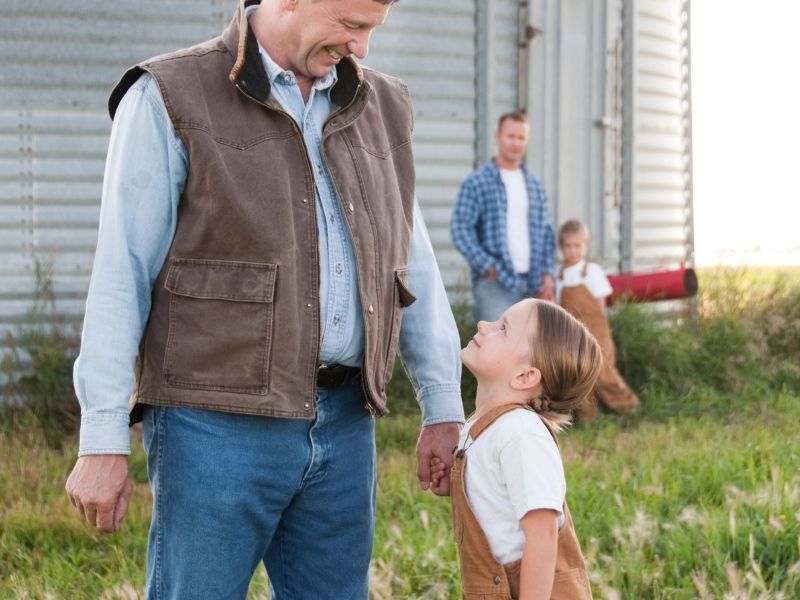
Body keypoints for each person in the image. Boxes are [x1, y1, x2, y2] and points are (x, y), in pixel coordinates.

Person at [64, 1, 465, 598]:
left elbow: (412, 264)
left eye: (372, 30)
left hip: (346, 424)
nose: (362, 49)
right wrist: (101, 437)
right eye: (352, 26)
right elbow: (121, 273)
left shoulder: (379, 104)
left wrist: (443, 404)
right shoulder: (169, 94)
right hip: (213, 430)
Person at [432, 299, 599, 599]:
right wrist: (460, 483)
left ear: (525, 377)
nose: (484, 326)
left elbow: (543, 533)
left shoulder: (520, 433)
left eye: (503, 329)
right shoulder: (481, 426)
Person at [450, 112, 557, 323]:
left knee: (532, 351)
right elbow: (461, 229)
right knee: (495, 349)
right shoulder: (478, 182)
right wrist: (488, 266)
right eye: (510, 136)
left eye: (521, 138)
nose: (515, 143)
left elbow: (547, 234)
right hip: (495, 284)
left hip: (533, 282)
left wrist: (547, 275)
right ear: (498, 136)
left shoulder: (534, 186)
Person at [556, 219, 640, 420]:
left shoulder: (592, 271)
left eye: (577, 246)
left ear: (586, 245)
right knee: (579, 376)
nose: (573, 251)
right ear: (561, 247)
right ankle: (588, 418)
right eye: (568, 246)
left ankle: (628, 406)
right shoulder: (559, 276)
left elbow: (600, 305)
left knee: (603, 372)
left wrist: (597, 329)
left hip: (596, 331)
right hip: (573, 334)